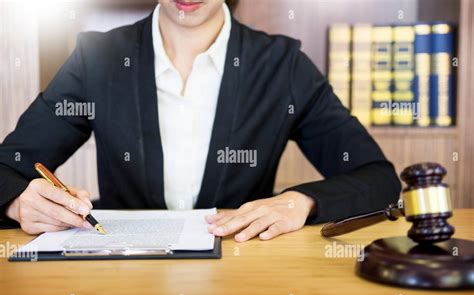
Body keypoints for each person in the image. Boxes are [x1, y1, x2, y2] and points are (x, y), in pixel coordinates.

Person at [0, 0, 401, 241]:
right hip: (123, 279)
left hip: (239, 274)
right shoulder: (98, 59)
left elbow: (378, 179)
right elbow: (7, 168)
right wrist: (19, 203)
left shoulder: (283, 66)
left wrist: (301, 202)